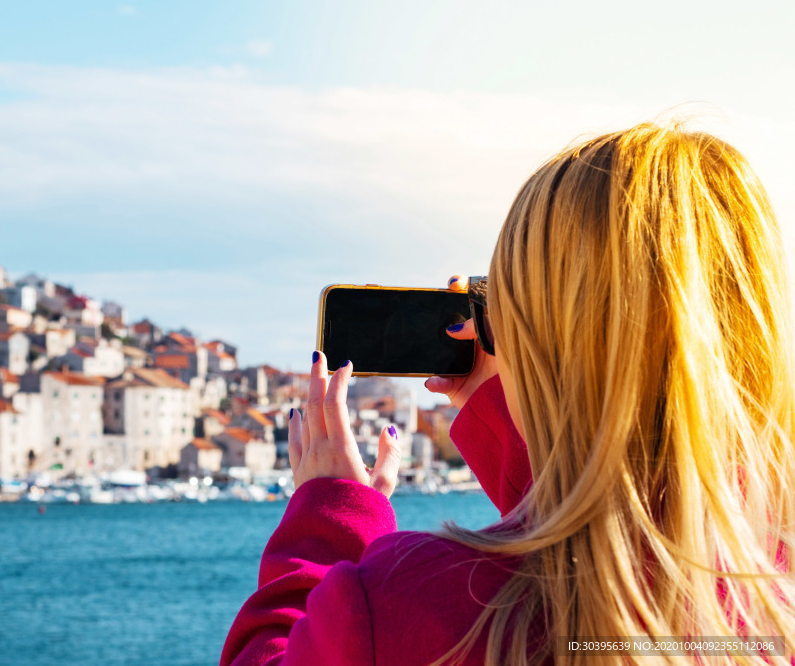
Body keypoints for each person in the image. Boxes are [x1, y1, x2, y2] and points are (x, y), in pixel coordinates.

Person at [220, 123, 795, 665]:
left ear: (537, 335)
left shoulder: (404, 603)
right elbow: (600, 535)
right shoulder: (774, 579)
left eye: (502, 306)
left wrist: (328, 518)